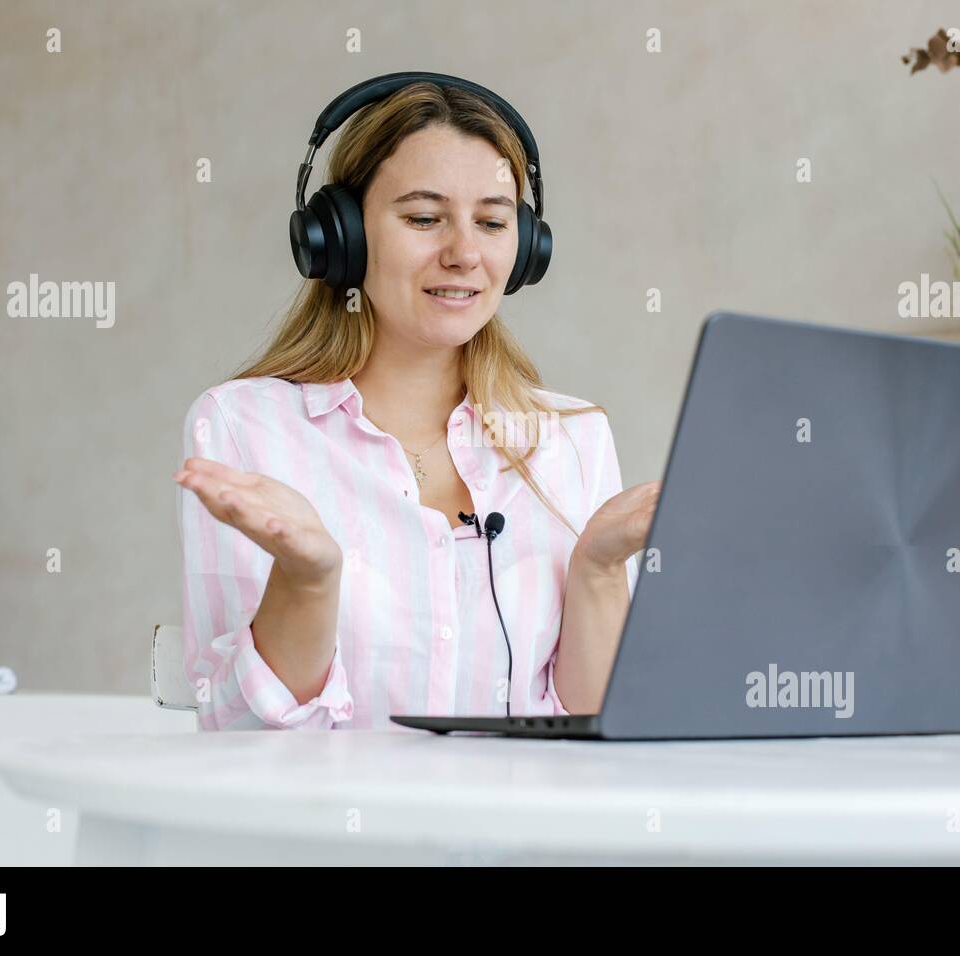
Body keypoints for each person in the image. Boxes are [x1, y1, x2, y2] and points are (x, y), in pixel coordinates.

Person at [172, 78, 660, 731]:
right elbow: (239, 732)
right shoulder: (244, 427)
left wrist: (598, 568)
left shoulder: (573, 437)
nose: (463, 254)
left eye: (491, 222)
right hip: (327, 832)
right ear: (340, 237)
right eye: (425, 218)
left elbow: (598, 743)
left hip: (522, 833)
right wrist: (308, 578)